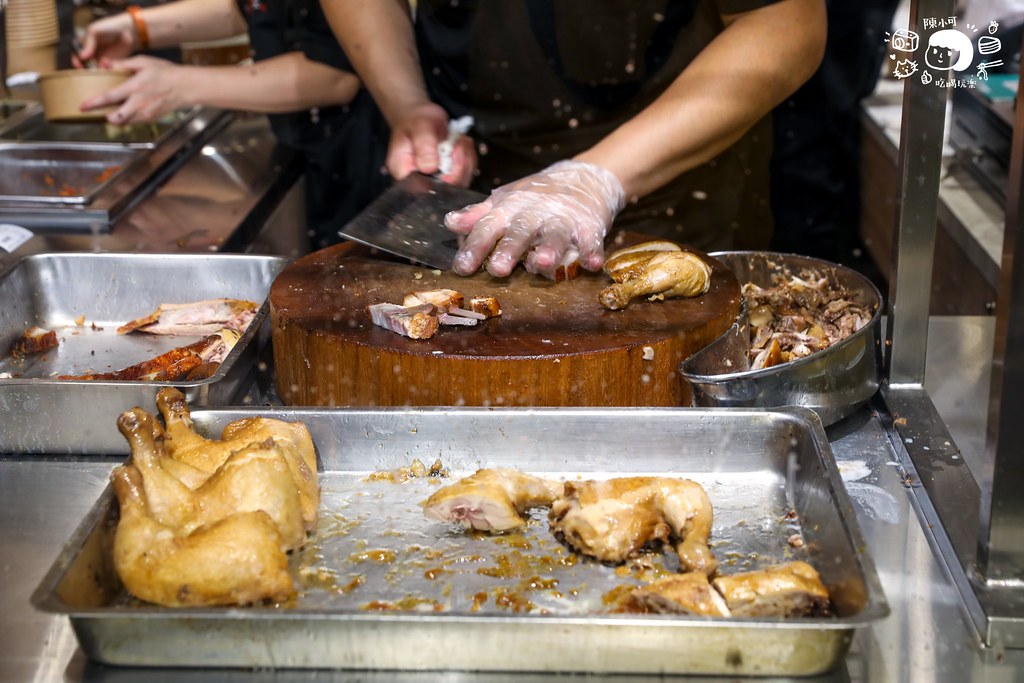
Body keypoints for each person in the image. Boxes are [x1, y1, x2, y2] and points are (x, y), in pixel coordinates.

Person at [321, 0, 826, 280]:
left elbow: (789, 20)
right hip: (474, 182)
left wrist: (594, 178)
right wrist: (406, 102)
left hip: (670, 171)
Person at [78, 0, 389, 250]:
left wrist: (178, 85)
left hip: (362, 163)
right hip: (310, 148)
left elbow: (335, 74)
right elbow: (252, 8)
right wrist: (137, 28)